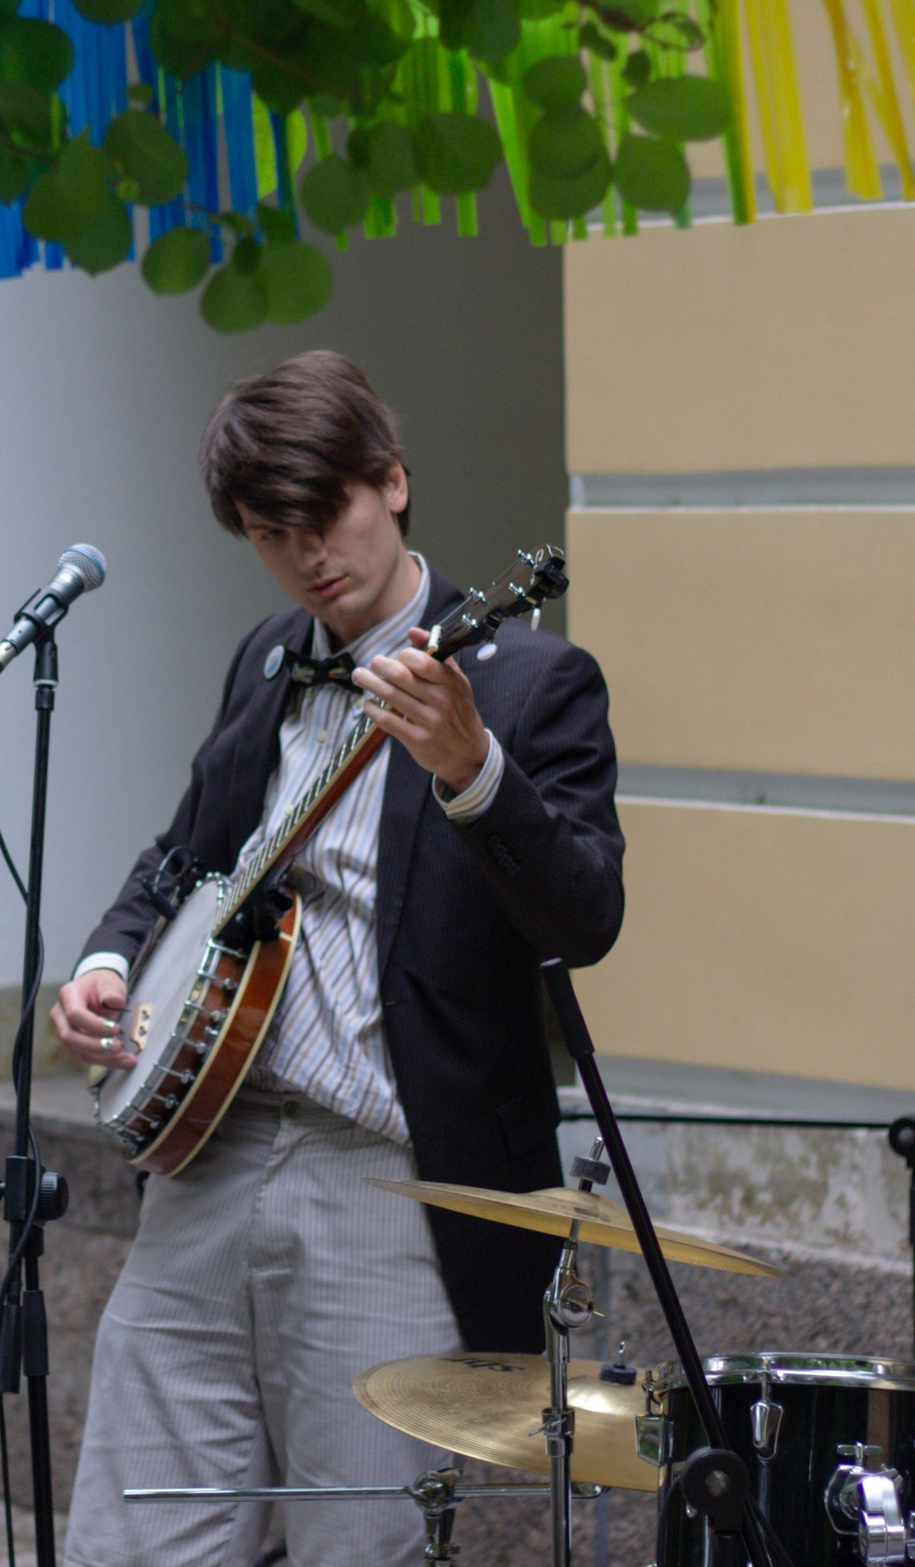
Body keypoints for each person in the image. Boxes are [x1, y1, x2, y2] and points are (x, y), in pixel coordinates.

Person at [51, 352, 627, 1567]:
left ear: (395, 482)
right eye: (272, 533)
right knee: (133, 1532)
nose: (309, 553)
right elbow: (183, 855)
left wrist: (475, 773)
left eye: (330, 516)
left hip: (391, 1172)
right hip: (204, 1158)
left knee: (358, 1543)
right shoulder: (266, 659)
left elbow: (585, 916)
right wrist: (108, 962)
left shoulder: (530, 682)